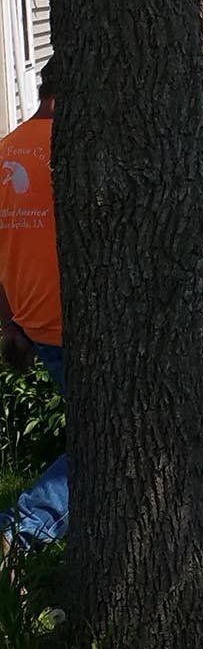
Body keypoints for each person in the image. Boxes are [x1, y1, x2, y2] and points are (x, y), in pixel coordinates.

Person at [0, 67, 66, 551]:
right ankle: (22, 531)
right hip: (73, 322)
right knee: (108, 442)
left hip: (33, 320)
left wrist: (11, 328)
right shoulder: (71, 154)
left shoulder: (6, 150)